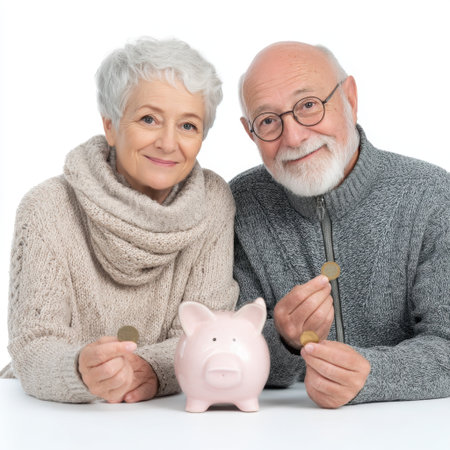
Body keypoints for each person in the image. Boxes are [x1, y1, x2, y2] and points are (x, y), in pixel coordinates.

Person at [0, 37, 238, 403]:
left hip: (170, 422)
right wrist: (81, 369)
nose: (168, 143)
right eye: (149, 119)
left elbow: (209, 331)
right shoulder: (46, 207)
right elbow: (32, 346)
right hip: (51, 421)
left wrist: (153, 371)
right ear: (111, 126)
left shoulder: (214, 201)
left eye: (188, 126)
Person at [231, 41, 450, 408]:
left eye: (309, 106)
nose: (295, 137)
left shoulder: (432, 195)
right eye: (268, 120)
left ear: (350, 97)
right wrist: (283, 340)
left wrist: (373, 373)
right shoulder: (241, 204)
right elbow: (225, 351)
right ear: (249, 132)